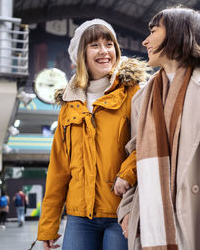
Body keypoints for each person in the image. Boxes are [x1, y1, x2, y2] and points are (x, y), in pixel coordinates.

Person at [117, 5, 200, 250]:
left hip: (198, 219)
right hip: (148, 224)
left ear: (178, 34)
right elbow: (135, 160)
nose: (146, 41)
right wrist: (126, 209)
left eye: (154, 31)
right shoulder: (142, 99)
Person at [37, 19, 150, 250]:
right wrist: (48, 225)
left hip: (121, 210)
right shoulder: (69, 104)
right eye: (94, 45)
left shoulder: (133, 93)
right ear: (81, 54)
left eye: (109, 44)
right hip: (80, 216)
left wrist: (127, 173)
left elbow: (149, 141)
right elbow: (59, 168)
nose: (104, 51)